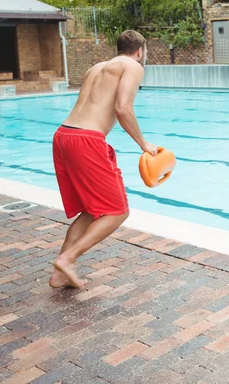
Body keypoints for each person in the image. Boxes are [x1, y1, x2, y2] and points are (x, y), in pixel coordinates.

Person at [50, 30, 157, 289]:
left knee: (90, 210)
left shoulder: (96, 68)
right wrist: (144, 144)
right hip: (87, 141)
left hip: (64, 136)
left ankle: (60, 274)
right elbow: (123, 108)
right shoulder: (132, 65)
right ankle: (67, 259)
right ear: (140, 51)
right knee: (117, 211)